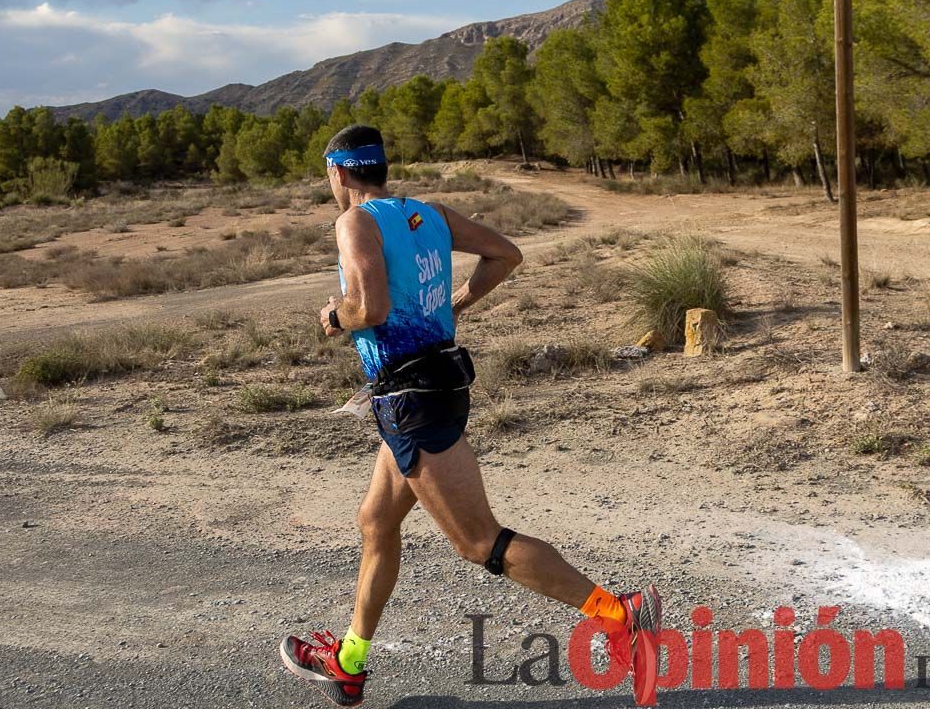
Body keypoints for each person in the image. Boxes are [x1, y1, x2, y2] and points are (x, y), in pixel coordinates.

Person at [279, 125, 662, 707]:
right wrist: (457, 302)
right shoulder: (428, 214)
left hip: (411, 398)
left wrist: (336, 316)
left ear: (337, 172)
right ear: (380, 167)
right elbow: (506, 254)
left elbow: (371, 307)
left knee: (480, 542)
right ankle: (349, 663)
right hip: (432, 384)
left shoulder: (354, 222)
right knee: (377, 521)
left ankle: (619, 613)